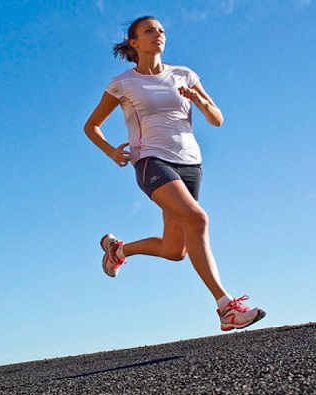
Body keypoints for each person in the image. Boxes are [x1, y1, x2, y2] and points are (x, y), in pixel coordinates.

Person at [83, 16, 265, 331]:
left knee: (175, 249)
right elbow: (91, 126)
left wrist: (201, 102)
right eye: (149, 30)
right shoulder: (123, 83)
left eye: (161, 30)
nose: (158, 34)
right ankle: (226, 307)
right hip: (151, 160)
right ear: (134, 42)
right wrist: (112, 151)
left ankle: (118, 249)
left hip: (191, 163)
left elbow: (216, 119)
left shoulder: (184, 74)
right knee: (198, 219)